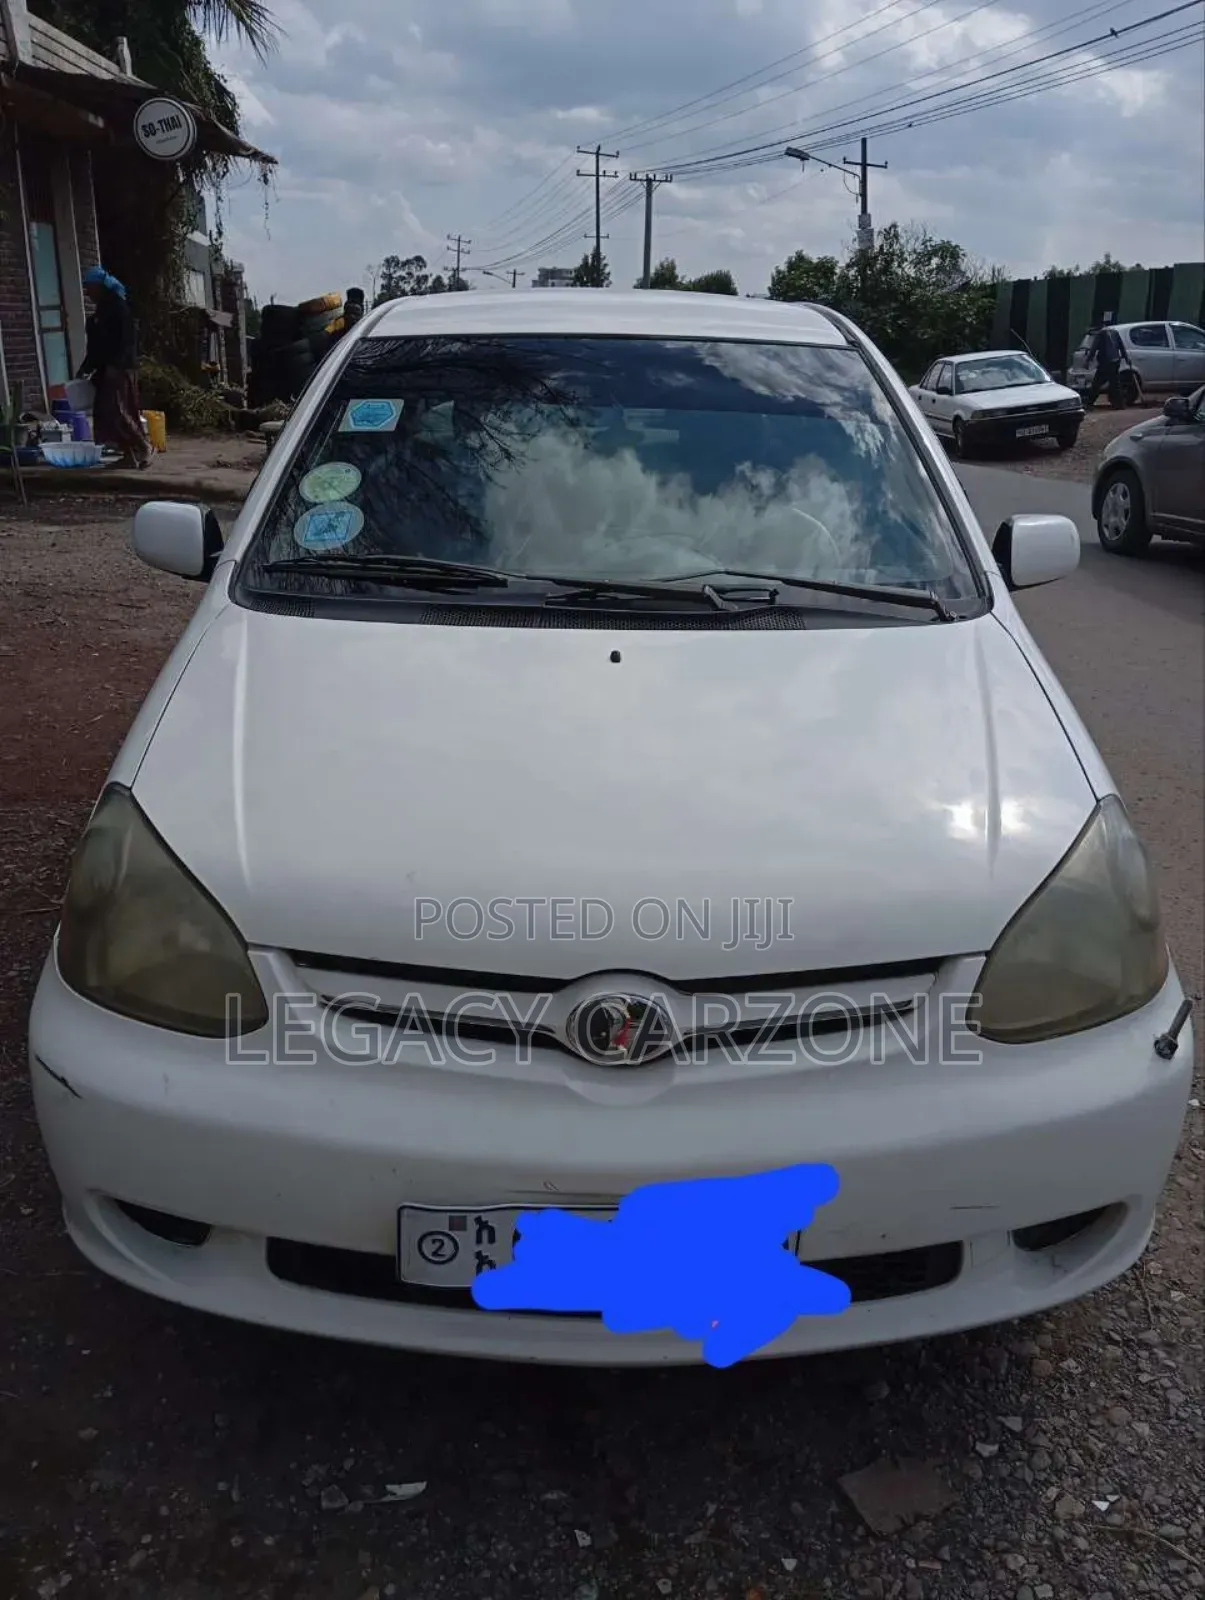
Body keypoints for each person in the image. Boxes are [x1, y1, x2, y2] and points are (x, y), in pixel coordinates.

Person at [77, 266, 152, 469]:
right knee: (106, 414)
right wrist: (86, 367)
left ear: (99, 286)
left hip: (120, 369)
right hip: (107, 370)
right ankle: (128, 455)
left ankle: (144, 446)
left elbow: (126, 341)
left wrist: (116, 364)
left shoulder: (118, 308)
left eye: (89, 287)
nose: (87, 292)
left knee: (120, 411)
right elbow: (97, 346)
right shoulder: (102, 311)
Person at [1086, 317, 1125, 410]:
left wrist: (1088, 360)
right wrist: (1126, 358)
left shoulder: (1101, 333)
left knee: (1096, 384)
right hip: (1115, 361)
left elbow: (1094, 348)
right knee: (1115, 384)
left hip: (1105, 362)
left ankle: (1089, 403)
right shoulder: (1115, 332)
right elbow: (1121, 346)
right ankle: (1119, 404)